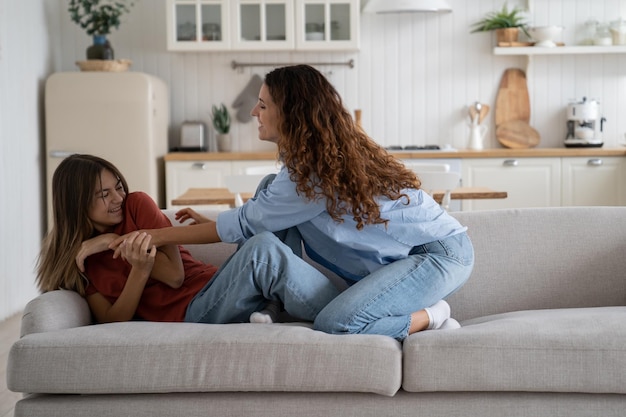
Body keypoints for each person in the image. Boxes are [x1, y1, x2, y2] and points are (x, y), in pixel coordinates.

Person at [111, 64, 475, 341]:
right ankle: (272, 303)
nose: (254, 112)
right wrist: (204, 221)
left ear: (289, 112)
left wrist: (157, 236)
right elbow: (257, 217)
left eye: (263, 104)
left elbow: (245, 224)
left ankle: (432, 316)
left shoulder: (309, 174)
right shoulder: (303, 168)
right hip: (408, 255)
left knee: (336, 323)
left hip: (436, 255)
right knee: (269, 186)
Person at [36, 154, 339, 324]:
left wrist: (113, 242)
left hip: (216, 284)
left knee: (270, 185)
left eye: (117, 186)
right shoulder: (84, 264)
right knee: (261, 250)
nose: (118, 197)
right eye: (104, 194)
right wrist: (139, 270)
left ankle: (280, 308)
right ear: (76, 204)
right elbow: (114, 320)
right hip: (194, 310)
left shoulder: (137, 204)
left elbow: (177, 272)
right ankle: (346, 317)